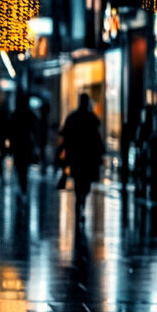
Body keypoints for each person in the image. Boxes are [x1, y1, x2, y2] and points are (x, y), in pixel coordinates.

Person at [58, 93, 105, 224]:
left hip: (76, 156)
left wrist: (63, 153)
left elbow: (65, 136)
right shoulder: (91, 119)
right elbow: (97, 139)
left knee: (79, 182)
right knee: (85, 183)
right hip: (87, 157)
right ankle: (81, 203)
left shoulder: (73, 118)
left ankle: (80, 203)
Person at [7, 94, 38, 195]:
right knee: (24, 167)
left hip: (18, 145)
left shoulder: (15, 114)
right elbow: (35, 127)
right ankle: (23, 183)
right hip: (25, 145)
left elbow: (10, 131)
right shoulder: (28, 114)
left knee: (20, 166)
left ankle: (22, 183)